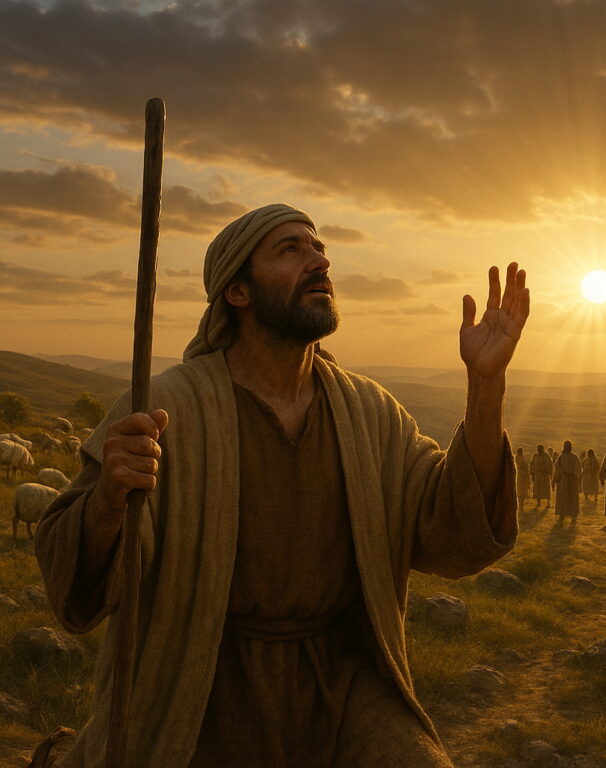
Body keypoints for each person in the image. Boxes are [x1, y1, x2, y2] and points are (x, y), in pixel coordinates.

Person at [34, 204, 530, 768]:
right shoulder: (168, 408)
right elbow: (74, 580)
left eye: (318, 248)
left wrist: (485, 385)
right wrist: (108, 500)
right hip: (201, 687)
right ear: (237, 291)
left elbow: (452, 528)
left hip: (343, 687)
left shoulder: (368, 412)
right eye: (290, 250)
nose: (319, 261)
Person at [552, 440, 581, 523]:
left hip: (565, 480)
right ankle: (567, 515)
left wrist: (554, 481)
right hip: (569, 480)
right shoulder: (573, 457)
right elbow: (579, 471)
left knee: (567, 498)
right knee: (568, 498)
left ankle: (566, 516)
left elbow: (557, 471)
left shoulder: (562, 457)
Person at [530, 444, 553, 509]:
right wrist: (532, 473)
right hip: (537, 475)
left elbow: (550, 465)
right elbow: (532, 463)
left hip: (544, 475)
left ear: (542, 449)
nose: (538, 450)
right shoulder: (536, 456)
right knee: (538, 489)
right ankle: (538, 503)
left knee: (546, 489)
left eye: (540, 448)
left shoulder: (546, 456)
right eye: (538, 448)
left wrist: (550, 473)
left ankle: (548, 503)